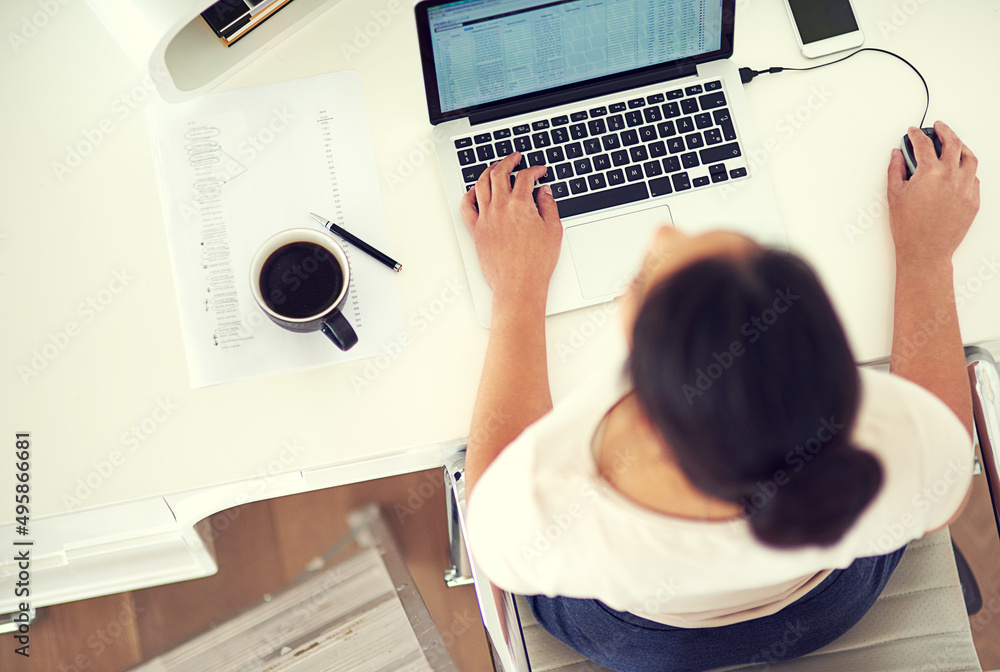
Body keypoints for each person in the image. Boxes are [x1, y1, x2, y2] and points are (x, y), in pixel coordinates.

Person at [460, 121, 981, 671]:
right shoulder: (892, 442)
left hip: (644, 641)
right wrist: (927, 257)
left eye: (645, 280)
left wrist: (516, 292)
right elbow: (938, 493)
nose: (662, 234)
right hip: (824, 606)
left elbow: (492, 512)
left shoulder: (546, 499)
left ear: (649, 410)